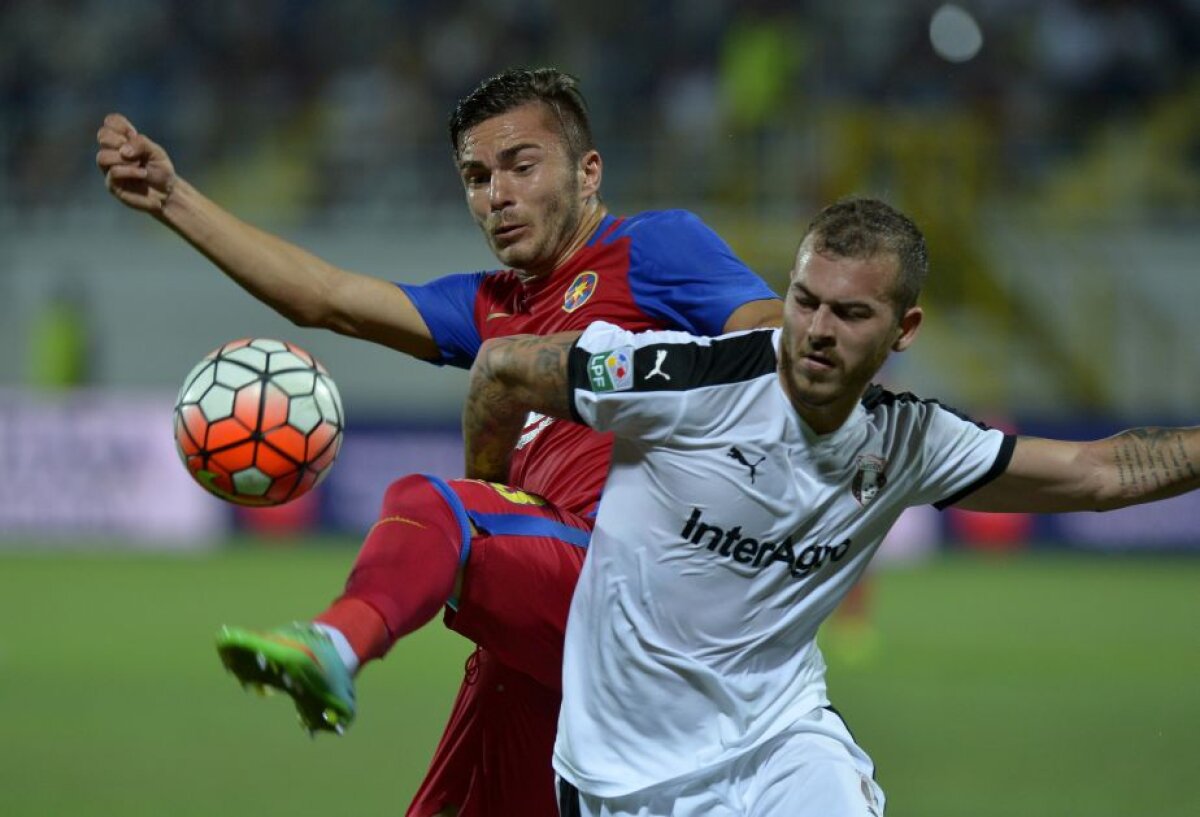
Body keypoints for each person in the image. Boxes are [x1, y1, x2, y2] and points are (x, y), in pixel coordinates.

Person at [96, 67, 781, 817]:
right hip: (558, 611)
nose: (498, 195)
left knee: (435, 505)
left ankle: (337, 642)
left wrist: (652, 383)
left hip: (645, 583)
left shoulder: (653, 248)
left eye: (522, 165)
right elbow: (326, 298)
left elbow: (774, 338)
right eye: (477, 176)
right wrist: (171, 198)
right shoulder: (490, 304)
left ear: (588, 173)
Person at [461, 196, 1200, 817]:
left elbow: (1098, 473)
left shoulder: (909, 440)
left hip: (782, 749)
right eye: (805, 301)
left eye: (850, 314)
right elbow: (501, 368)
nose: (816, 332)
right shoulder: (686, 377)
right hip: (621, 778)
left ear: (902, 332)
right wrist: (495, 534)